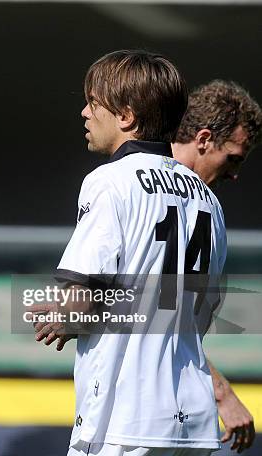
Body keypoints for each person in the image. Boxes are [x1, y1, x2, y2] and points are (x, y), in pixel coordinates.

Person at [32, 50, 225, 455]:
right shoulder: (208, 198)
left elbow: (81, 298)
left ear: (125, 116)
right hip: (192, 419)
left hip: (125, 417)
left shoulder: (109, 181)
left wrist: (67, 319)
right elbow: (200, 311)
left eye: (93, 102)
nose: (84, 112)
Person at [172, 79, 262, 453]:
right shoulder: (139, 190)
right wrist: (222, 392)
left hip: (162, 408)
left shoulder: (207, 207)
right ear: (204, 139)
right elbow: (153, 313)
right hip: (142, 415)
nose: (235, 173)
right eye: (234, 157)